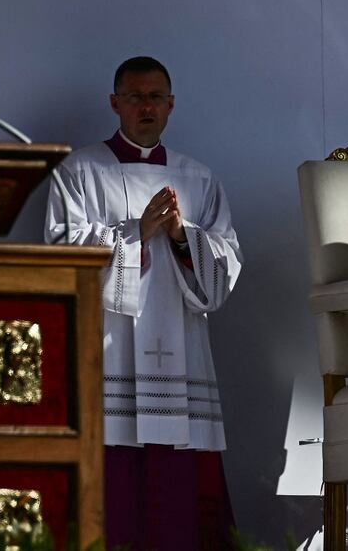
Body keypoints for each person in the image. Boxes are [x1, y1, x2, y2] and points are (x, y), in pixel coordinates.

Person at [45, 56, 243, 550]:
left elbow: (224, 268)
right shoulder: (79, 171)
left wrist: (180, 234)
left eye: (155, 97)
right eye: (134, 97)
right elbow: (59, 254)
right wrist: (135, 232)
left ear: (171, 105)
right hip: (109, 350)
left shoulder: (198, 179)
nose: (145, 106)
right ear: (115, 103)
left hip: (182, 353)